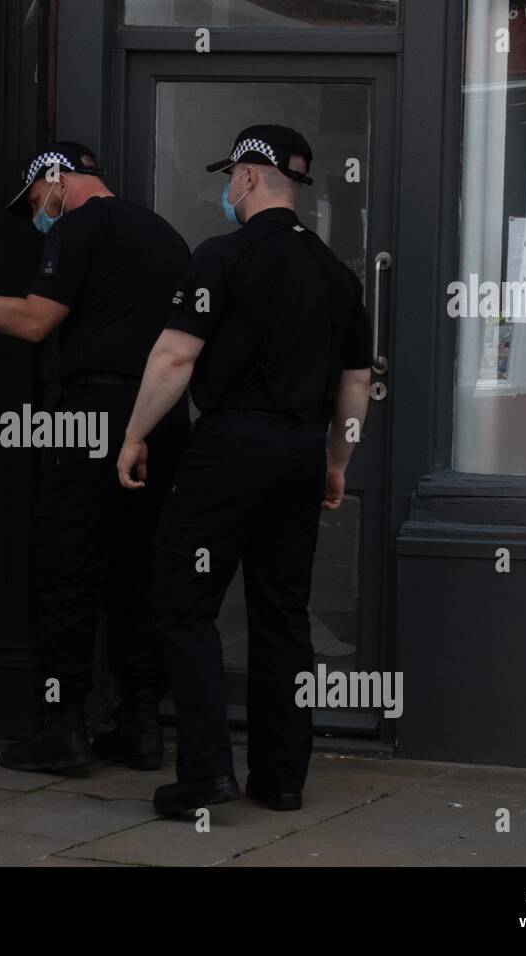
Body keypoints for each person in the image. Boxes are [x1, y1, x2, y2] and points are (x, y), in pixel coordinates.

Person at [116, 125, 374, 814]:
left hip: (229, 449)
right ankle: (282, 779)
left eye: (231, 175)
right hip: (298, 454)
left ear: (253, 177)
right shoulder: (338, 276)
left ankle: (205, 773)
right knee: (283, 615)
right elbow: (355, 386)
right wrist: (337, 460)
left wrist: (135, 435)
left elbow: (174, 359)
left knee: (184, 604)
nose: (226, 188)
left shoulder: (219, 257)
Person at [0, 142, 190, 773]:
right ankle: (141, 722)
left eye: (37, 200)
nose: (38, 214)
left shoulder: (78, 226)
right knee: (138, 571)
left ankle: (63, 723)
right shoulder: (164, 234)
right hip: (162, 415)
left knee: (69, 566)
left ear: (57, 180)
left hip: (90, 414)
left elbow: (36, 321)